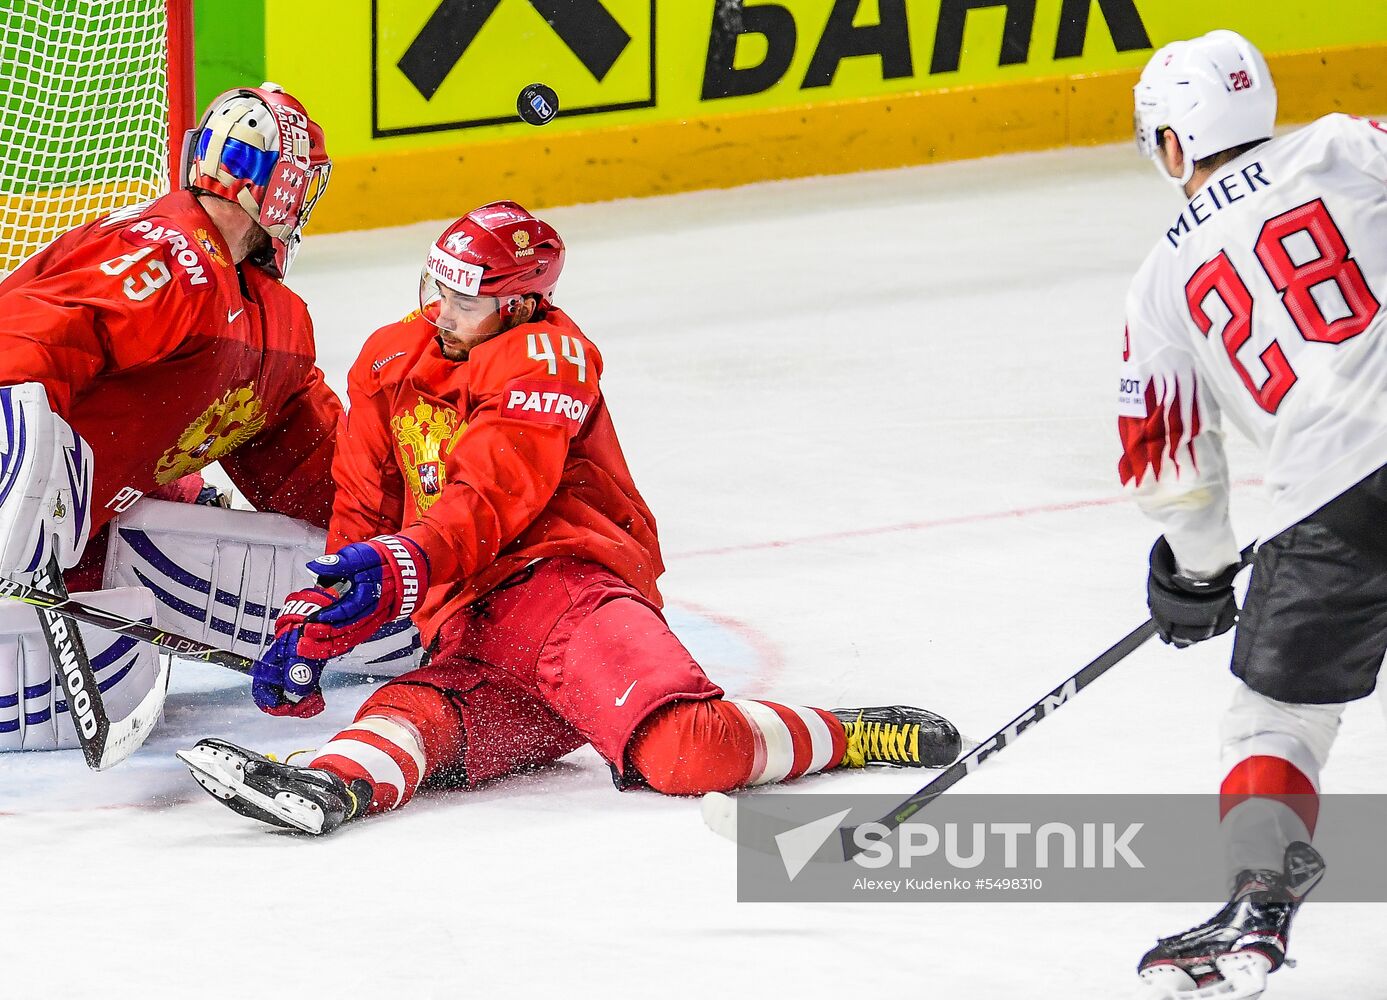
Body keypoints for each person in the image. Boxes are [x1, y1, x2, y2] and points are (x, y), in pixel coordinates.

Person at [177, 200, 962, 832]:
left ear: (521, 302)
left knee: (685, 753)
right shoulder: (390, 358)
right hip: (472, 629)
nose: (441, 311)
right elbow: (363, 506)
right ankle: (327, 787)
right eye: (437, 287)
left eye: (465, 298)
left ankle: (850, 731)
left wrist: (402, 567)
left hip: (570, 600)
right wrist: (323, 616)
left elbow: (489, 497)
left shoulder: (548, 358)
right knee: (416, 715)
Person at [1118, 30, 1387, 998]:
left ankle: (1255, 904)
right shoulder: (1348, 144)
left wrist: (1194, 570)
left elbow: (1173, 466)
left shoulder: (1158, 281)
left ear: (1176, 145)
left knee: (1277, 719)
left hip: (1328, 499)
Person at [0, 83, 342, 750]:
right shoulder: (167, 254)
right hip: (24, 520)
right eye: (302, 188)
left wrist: (415, 545)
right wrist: (16, 478)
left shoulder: (279, 326)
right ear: (281, 187)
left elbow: (325, 473)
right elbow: (25, 346)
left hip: (72, 544)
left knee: (123, 662)